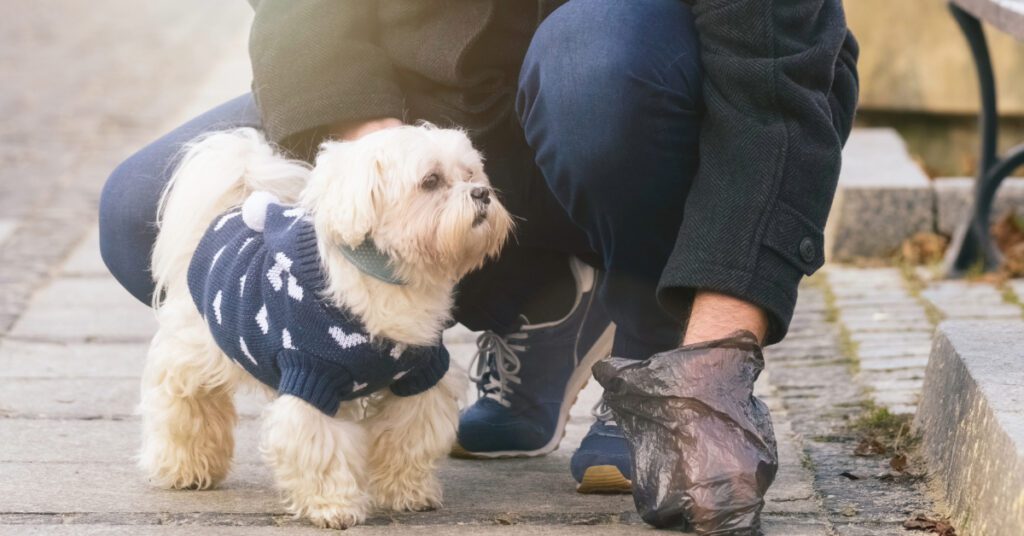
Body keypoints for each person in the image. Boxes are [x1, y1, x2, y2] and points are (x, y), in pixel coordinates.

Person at [99, 0, 858, 532]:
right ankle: (534, 305)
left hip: (632, 78)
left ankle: (649, 333)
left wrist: (715, 356)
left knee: (595, 65)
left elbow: (771, 79)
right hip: (429, 90)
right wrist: (377, 150)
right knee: (145, 209)